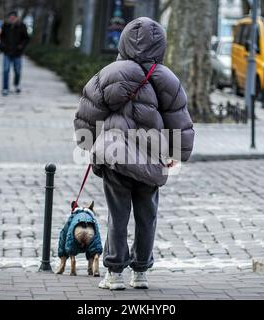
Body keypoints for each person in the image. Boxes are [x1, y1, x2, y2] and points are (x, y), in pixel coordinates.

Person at [74, 17, 195, 290]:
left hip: (116, 158)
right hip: (152, 160)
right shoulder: (167, 79)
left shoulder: (109, 73)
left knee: (117, 216)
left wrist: (88, 143)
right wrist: (177, 152)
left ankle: (114, 274)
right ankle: (140, 272)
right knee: (147, 216)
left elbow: (87, 114)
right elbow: (179, 119)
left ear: (124, 41)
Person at [0, 11, 29, 96]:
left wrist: (21, 46)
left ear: (16, 18)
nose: (12, 19)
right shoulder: (6, 25)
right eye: (10, 18)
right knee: (5, 70)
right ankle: (5, 88)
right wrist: (2, 44)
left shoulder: (22, 26)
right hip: (7, 52)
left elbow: (26, 38)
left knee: (17, 71)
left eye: (13, 18)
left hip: (17, 53)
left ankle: (16, 85)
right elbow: (1, 36)